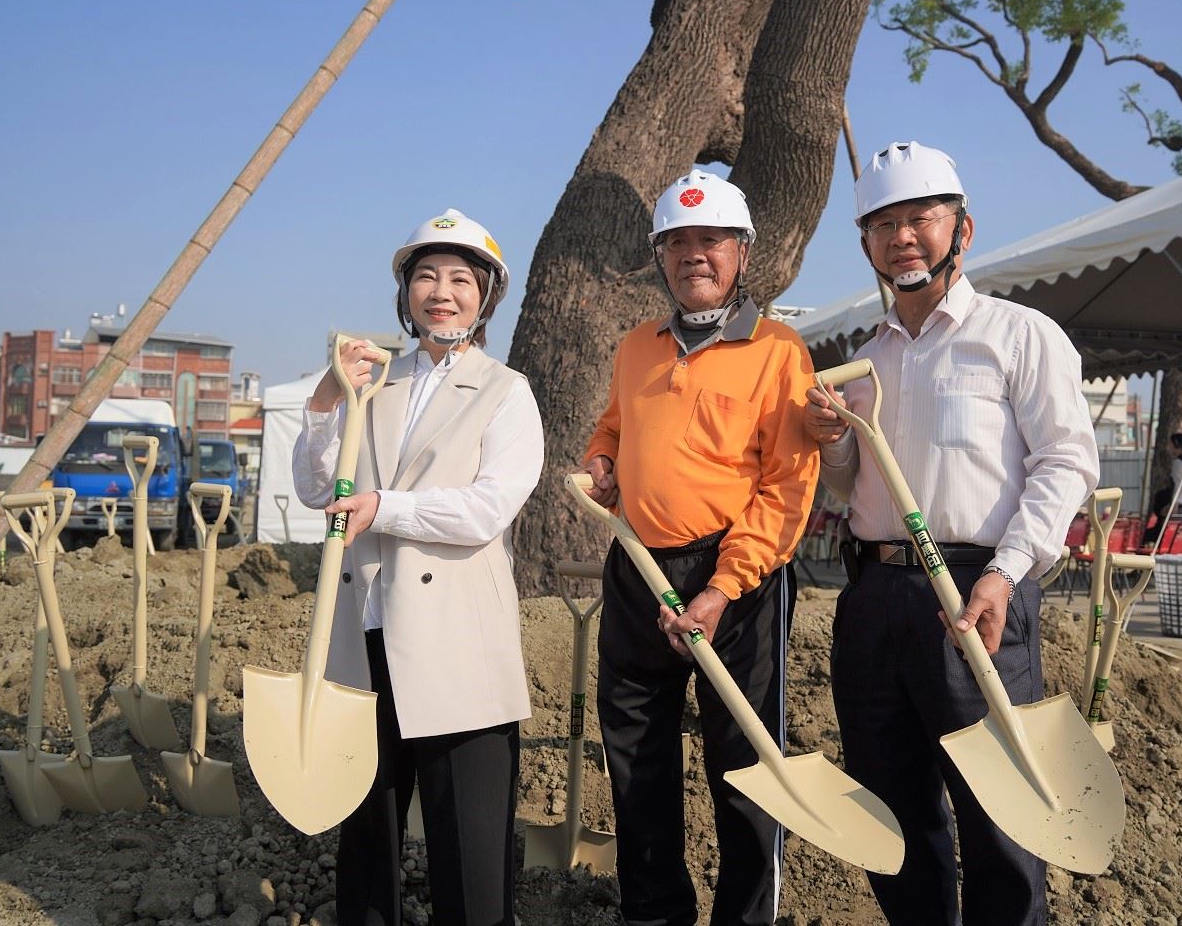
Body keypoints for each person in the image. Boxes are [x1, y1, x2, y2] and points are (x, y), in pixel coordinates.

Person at [803, 141, 1098, 926]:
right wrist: (831, 437)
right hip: (872, 597)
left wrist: (1005, 573)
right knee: (893, 806)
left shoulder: (1018, 334)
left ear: (961, 230)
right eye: (884, 224)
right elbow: (848, 486)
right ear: (866, 244)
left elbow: (1067, 463)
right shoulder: (864, 360)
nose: (903, 237)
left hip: (976, 591)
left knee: (1000, 811)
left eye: (920, 219)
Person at [293, 210, 544, 926]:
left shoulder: (506, 392)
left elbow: (486, 510)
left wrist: (387, 509)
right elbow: (318, 489)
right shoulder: (369, 383)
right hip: (363, 637)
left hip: (456, 646)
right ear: (405, 293)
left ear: (486, 297)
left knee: (467, 848)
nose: (442, 292)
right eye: (426, 276)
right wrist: (323, 404)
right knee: (366, 839)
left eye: (461, 279)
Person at [581, 170, 819, 926]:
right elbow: (614, 427)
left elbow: (787, 487)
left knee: (744, 768)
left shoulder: (780, 352)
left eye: (710, 240)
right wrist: (600, 461)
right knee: (636, 759)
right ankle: (653, 915)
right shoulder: (636, 348)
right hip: (638, 569)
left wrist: (723, 587)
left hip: (737, 581)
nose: (694, 256)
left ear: (742, 252)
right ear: (660, 256)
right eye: (677, 243)